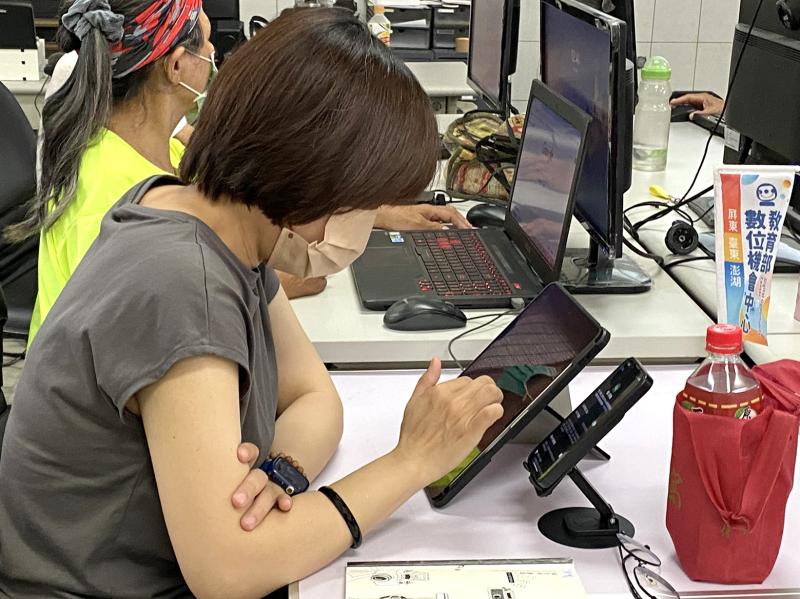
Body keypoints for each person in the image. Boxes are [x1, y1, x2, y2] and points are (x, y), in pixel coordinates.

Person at [0, 7, 504, 598]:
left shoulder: (218, 221)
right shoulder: (181, 280)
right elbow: (229, 571)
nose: (367, 223)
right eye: (366, 203)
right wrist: (412, 461)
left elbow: (315, 396)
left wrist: (277, 473)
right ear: (313, 183)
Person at [11, 0, 469, 346]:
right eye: (206, 40)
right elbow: (177, 299)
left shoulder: (156, 144)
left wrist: (374, 211)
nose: (214, 52)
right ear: (176, 65)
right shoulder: (118, 198)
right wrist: (290, 271)